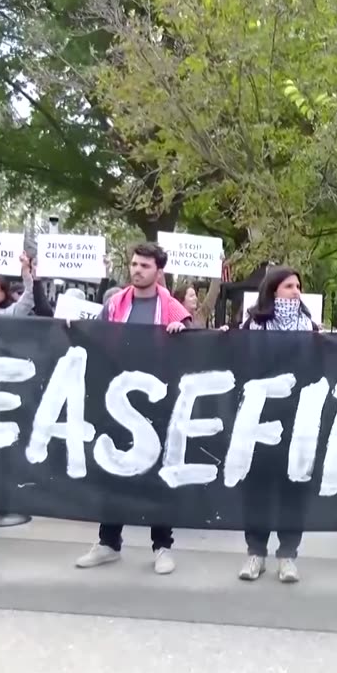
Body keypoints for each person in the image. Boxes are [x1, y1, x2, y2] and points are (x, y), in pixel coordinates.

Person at [76, 242, 191, 575]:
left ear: (159, 271)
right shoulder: (115, 304)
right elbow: (96, 338)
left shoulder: (171, 308)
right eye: (134, 264)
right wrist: (73, 329)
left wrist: (181, 333)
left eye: (145, 265)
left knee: (158, 473)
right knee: (112, 470)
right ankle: (109, 543)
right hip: (118, 397)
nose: (137, 270)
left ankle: (162, 546)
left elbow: (192, 349)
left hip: (156, 401)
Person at [236, 266, 322, 584]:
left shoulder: (310, 328)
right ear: (274, 291)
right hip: (259, 418)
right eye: (289, 286)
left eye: (298, 286)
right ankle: (255, 552)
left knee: (294, 486)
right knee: (257, 486)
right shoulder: (252, 326)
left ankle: (288, 555)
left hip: (298, 418)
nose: (296, 292)